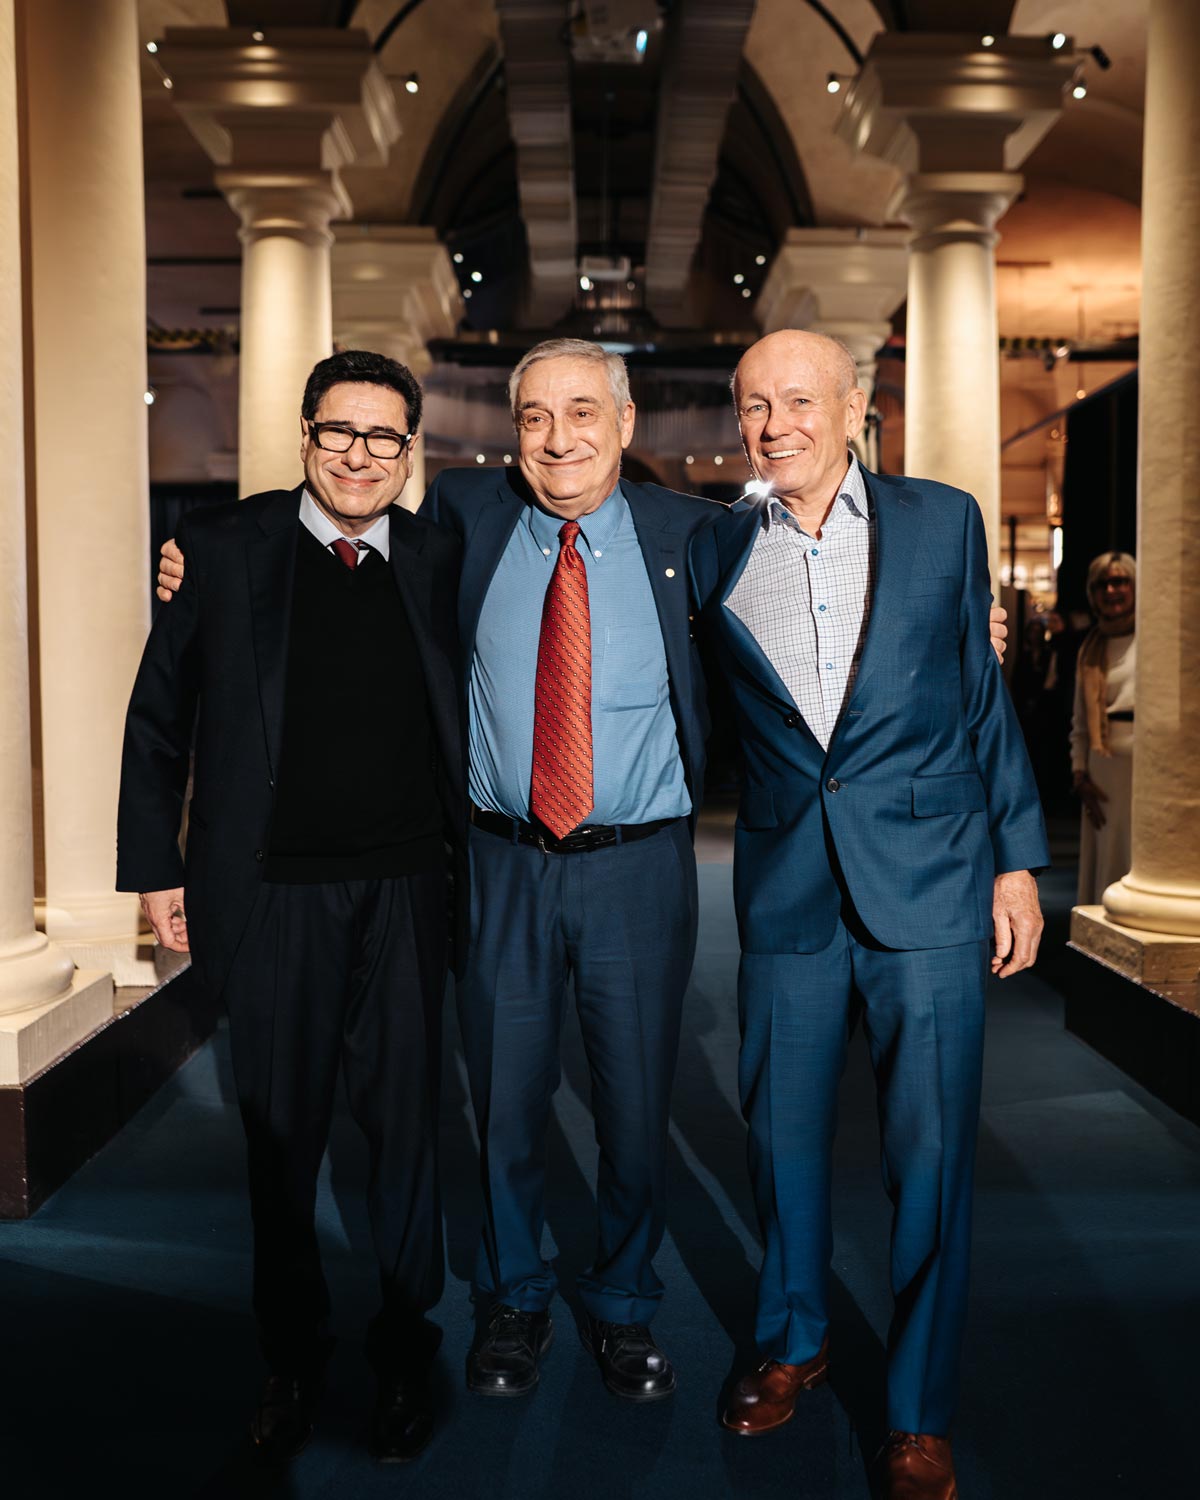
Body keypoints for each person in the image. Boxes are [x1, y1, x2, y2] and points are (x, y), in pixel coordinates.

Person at [155, 339, 1011, 1413]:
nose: (558, 438)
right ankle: (514, 1298)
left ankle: (624, 1301)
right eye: (534, 418)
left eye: (582, 414)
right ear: (511, 432)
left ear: (626, 423)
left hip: (640, 865)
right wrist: (208, 558)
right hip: (501, 861)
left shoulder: (695, 536)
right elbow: (335, 529)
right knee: (505, 1103)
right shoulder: (460, 523)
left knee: (631, 1104)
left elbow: (817, 611)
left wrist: (961, 625)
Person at [690, 330, 1048, 1500]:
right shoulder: (711, 544)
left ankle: (917, 1412)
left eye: (799, 399)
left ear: (856, 404)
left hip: (934, 881)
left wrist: (1015, 861)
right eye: (754, 405)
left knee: (930, 1157)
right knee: (779, 1137)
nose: (775, 423)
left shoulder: (943, 520)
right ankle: (794, 1339)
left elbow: (980, 700)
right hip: (790, 886)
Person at [118, 350, 466, 1465]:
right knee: (284, 1143)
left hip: (408, 892)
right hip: (270, 902)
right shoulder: (222, 552)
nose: (360, 456)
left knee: (409, 1140)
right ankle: (294, 1357)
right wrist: (154, 872)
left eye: (385, 438)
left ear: (411, 453)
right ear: (304, 434)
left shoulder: (436, 550)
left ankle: (407, 1355)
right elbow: (156, 719)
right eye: (340, 432)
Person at [1070, 552, 1137, 904]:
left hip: (1147, 769)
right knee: (1107, 857)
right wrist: (1079, 774)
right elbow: (1080, 722)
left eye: (1121, 582)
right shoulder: (1090, 648)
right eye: (1103, 585)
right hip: (1102, 771)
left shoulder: (1154, 641)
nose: (1112, 590)